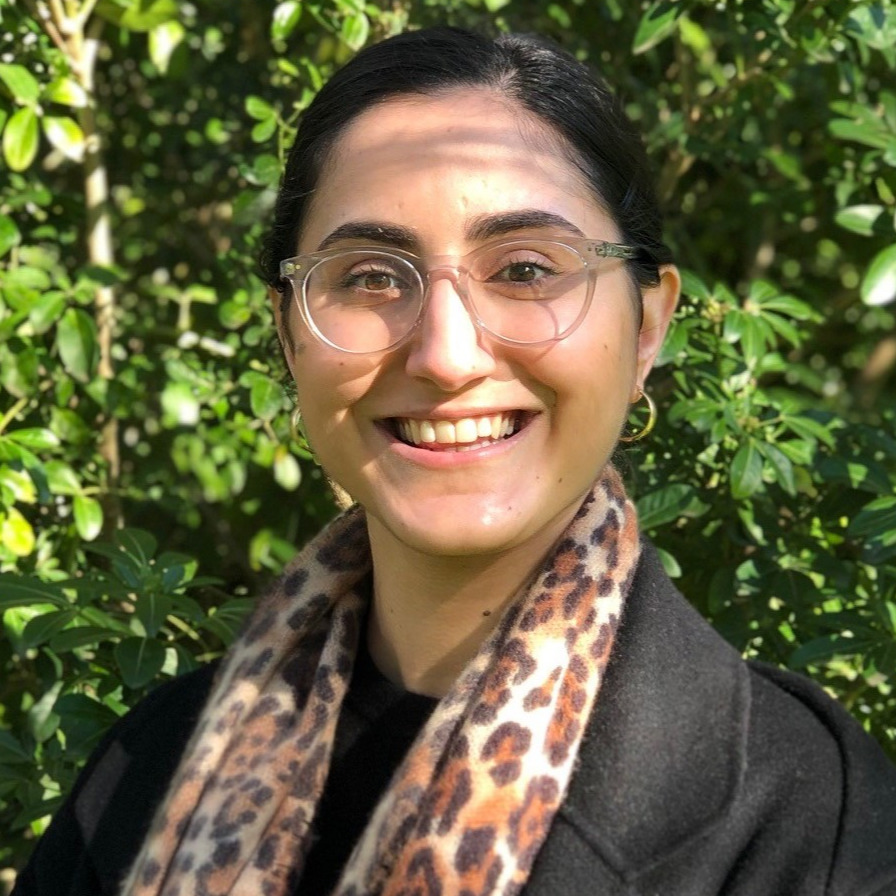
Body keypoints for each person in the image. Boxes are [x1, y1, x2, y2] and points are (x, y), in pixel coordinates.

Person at [12, 25, 896, 896]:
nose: (446, 355)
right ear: (288, 334)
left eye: (525, 269)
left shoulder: (804, 824)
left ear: (647, 328)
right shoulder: (146, 776)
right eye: (370, 276)